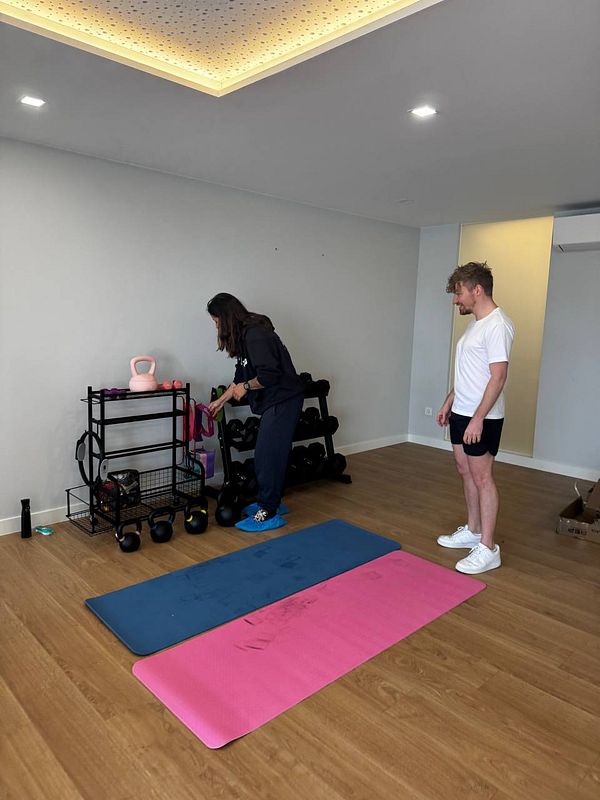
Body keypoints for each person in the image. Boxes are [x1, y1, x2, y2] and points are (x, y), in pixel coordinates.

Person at [436, 262, 515, 574]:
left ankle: (488, 548)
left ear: (476, 290)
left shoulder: (498, 325)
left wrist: (478, 418)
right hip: (462, 412)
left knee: (483, 478)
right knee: (464, 471)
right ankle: (473, 530)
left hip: (481, 417)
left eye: (459, 293)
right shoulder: (476, 324)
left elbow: (498, 377)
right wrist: (449, 402)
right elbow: (470, 373)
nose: (457, 300)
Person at [206, 293, 304, 533]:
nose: (216, 326)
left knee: (266, 456)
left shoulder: (256, 335)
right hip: (275, 400)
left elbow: (269, 375)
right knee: (270, 454)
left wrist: (246, 387)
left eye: (217, 320)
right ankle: (273, 503)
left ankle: (269, 512)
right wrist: (221, 399)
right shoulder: (244, 337)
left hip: (284, 398)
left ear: (226, 317)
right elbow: (241, 377)